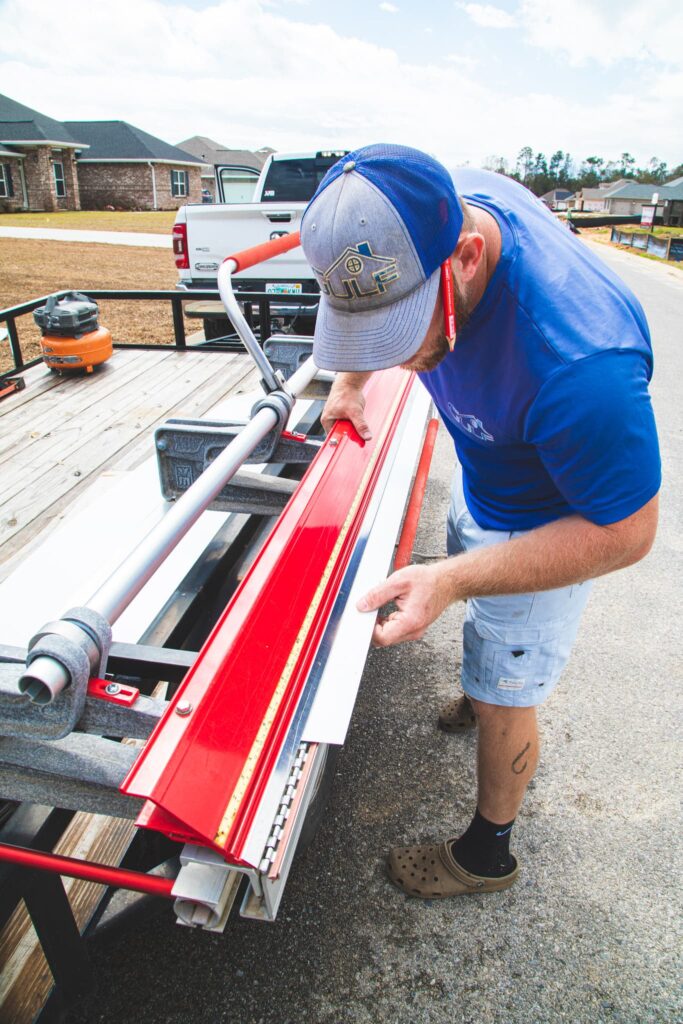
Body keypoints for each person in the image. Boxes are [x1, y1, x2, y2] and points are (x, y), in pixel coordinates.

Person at [299, 144, 661, 899]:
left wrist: (456, 579)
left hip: (548, 524)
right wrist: (349, 381)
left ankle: (485, 855)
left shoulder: (581, 363)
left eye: (405, 333)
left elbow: (625, 532)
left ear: (465, 258)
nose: (402, 361)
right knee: (469, 612)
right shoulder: (427, 208)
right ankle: (478, 683)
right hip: (485, 473)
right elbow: (375, 299)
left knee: (508, 684)